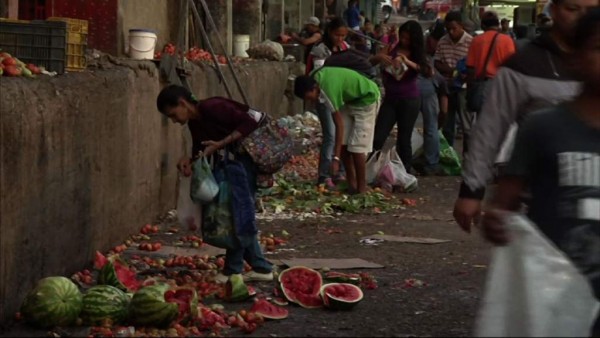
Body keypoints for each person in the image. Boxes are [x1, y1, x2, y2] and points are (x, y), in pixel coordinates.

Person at [481, 8, 600, 335]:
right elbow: (503, 205)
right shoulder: (542, 128)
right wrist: (495, 220)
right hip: (553, 295)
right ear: (574, 59)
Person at [453, 0, 597, 234]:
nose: (582, 18)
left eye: (591, 10)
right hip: (543, 208)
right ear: (554, 8)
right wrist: (472, 190)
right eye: (572, 8)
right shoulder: (524, 67)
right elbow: (490, 128)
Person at [156, 85, 273, 283]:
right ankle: (260, 267)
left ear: (183, 103)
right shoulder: (195, 123)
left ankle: (234, 269)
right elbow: (200, 149)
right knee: (235, 213)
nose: (174, 121)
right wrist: (189, 161)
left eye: (173, 114)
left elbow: (249, 122)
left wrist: (222, 143)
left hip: (246, 160)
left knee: (238, 213)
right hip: (233, 163)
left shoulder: (213, 107)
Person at [294, 67, 381, 194]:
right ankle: (351, 184)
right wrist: (338, 154)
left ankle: (362, 189)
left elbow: (338, 125)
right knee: (344, 145)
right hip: (349, 101)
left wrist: (335, 158)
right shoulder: (315, 77)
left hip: (367, 98)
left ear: (314, 88)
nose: (311, 101)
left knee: (357, 147)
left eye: (309, 97)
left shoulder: (328, 90)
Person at [371, 20, 428, 173]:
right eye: (402, 37)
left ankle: (404, 173)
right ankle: (368, 168)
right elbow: (370, 62)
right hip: (390, 99)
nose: (403, 41)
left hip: (409, 100)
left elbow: (427, 71)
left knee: (404, 139)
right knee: (378, 136)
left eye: (407, 39)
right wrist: (379, 58)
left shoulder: (417, 53)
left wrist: (407, 61)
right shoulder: (391, 47)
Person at [307, 18, 351, 188]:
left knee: (343, 133)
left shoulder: (345, 48)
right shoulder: (320, 49)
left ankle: (339, 171)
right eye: (337, 35)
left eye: (343, 35)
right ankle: (324, 174)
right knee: (331, 135)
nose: (340, 39)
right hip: (324, 96)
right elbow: (321, 75)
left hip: (341, 96)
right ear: (329, 32)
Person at [465, 11, 516, 150]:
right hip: (502, 87)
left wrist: (470, 90)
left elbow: (470, 68)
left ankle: (483, 152)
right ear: (498, 25)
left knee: (483, 123)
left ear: (482, 25)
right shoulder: (507, 40)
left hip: (483, 87)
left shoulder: (477, 40)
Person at [434, 11, 473, 149]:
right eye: (448, 29)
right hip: (446, 87)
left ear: (461, 26)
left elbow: (474, 66)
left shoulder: (471, 42)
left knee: (466, 125)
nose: (451, 32)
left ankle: (468, 158)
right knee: (447, 124)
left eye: (454, 28)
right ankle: (448, 156)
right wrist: (453, 71)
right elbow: (437, 63)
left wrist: (462, 74)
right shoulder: (442, 41)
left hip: (464, 89)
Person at [416, 20, 449, 176]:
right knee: (431, 127)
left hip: (417, 89)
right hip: (425, 90)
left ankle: (407, 162)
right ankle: (431, 163)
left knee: (425, 128)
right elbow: (443, 110)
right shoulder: (428, 55)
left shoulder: (427, 51)